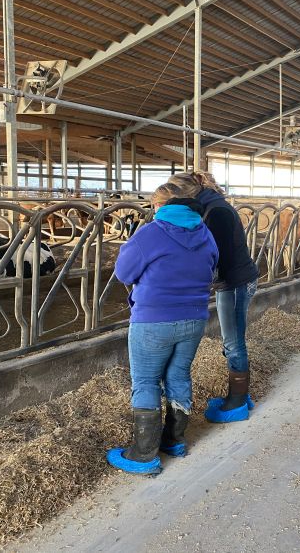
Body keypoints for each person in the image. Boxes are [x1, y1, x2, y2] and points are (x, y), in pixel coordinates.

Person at [107, 183, 218, 475]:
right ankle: (175, 441)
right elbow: (213, 267)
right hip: (194, 317)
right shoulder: (205, 233)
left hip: (154, 319)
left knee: (146, 382)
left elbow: (123, 273)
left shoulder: (151, 233)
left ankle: (143, 455)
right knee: (178, 375)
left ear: (159, 206)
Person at [167, 171, 259, 423]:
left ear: (186, 193)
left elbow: (219, 255)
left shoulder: (215, 212)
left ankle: (238, 402)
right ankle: (241, 394)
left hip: (235, 282)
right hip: (232, 280)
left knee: (233, 341)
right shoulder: (212, 206)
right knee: (232, 339)